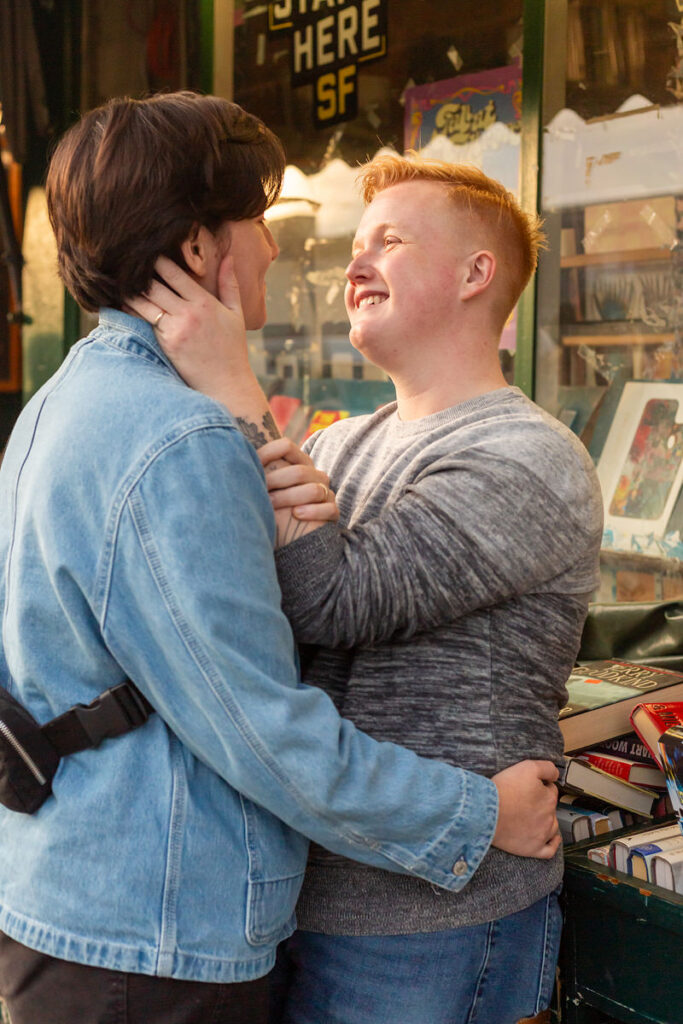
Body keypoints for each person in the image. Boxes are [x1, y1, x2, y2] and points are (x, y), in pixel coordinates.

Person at [0, 94, 560, 1024]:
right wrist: (472, 814)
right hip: (153, 934)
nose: (276, 247)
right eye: (255, 222)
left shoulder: (63, 403)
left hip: (97, 900)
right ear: (194, 249)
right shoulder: (177, 438)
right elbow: (261, 726)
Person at [132, 152, 604, 1024]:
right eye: (357, 242)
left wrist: (234, 385)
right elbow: (250, 604)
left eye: (388, 241)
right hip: (297, 896)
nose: (355, 264)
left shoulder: (532, 457)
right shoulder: (341, 441)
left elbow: (332, 600)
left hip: (437, 921)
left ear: (475, 274)